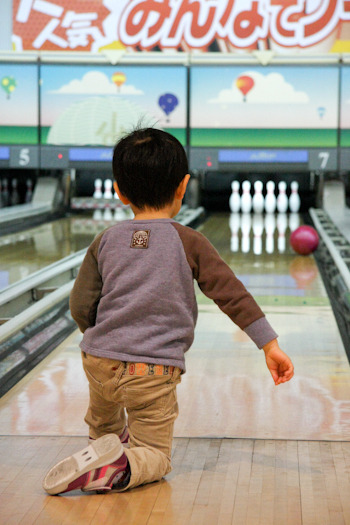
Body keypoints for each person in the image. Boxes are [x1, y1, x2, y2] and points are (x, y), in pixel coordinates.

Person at [43, 128, 294, 495]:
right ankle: (118, 466)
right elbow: (231, 294)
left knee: (104, 425)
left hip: (98, 360)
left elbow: (80, 303)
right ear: (183, 187)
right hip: (153, 369)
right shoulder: (189, 241)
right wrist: (268, 344)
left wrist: (101, 338)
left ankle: (101, 449)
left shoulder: (106, 240)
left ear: (118, 190)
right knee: (155, 455)